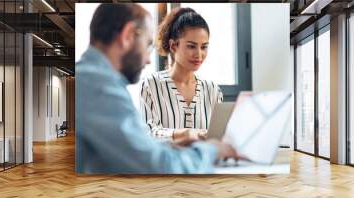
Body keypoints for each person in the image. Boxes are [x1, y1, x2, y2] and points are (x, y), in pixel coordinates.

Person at [75, 3, 238, 174]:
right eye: (147, 45)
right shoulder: (100, 87)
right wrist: (211, 150)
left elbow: (135, 148)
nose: (148, 60)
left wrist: (172, 143)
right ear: (128, 35)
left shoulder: (91, 79)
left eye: (204, 46)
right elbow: (155, 162)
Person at [140, 8, 222, 141]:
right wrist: (183, 134)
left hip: (203, 161)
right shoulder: (151, 84)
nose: (199, 54)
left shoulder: (213, 90)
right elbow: (148, 133)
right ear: (173, 46)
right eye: (191, 46)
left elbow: (219, 137)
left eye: (204, 47)